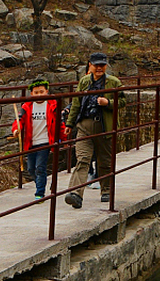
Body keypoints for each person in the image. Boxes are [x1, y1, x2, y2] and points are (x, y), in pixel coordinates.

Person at [64, 52, 125, 209]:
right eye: (96, 65)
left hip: (104, 127)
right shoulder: (84, 82)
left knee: (104, 160)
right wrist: (69, 124)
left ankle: (106, 190)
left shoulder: (114, 82)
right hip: (84, 126)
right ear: (89, 65)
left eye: (102, 65)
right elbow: (76, 103)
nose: (99, 68)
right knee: (82, 159)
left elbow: (124, 100)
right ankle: (76, 193)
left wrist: (108, 102)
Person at [12, 78, 64, 202]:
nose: (39, 95)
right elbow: (19, 120)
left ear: (47, 91)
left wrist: (63, 138)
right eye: (36, 92)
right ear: (31, 94)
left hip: (45, 140)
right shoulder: (27, 106)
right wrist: (16, 129)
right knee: (30, 168)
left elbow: (60, 123)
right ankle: (41, 183)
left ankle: (40, 193)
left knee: (40, 167)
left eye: (42, 92)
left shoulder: (53, 105)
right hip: (31, 142)